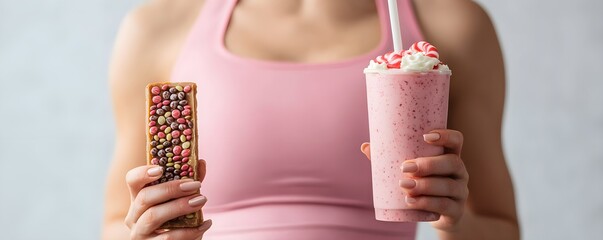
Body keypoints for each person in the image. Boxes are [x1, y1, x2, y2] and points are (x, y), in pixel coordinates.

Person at [102, 0, 520, 239]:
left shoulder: (453, 26)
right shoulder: (158, 27)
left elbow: (500, 227)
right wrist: (150, 233)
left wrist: (453, 222)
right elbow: (115, 225)